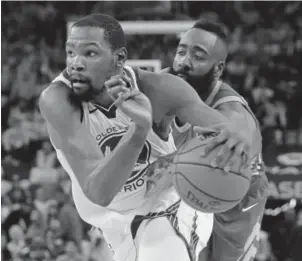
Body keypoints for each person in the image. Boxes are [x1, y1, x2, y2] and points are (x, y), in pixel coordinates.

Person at [39, 13, 254, 261]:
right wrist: (139, 129)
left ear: (119, 59)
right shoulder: (58, 101)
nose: (75, 63)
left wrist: (232, 139)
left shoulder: (160, 89)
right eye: (70, 53)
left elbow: (227, 130)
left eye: (89, 53)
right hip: (113, 221)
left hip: (168, 200)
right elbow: (100, 192)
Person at [161, 20, 268, 261]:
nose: (184, 62)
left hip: (236, 199)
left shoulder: (228, 106)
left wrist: (240, 133)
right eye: (181, 52)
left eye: (198, 57)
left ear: (218, 69)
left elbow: (241, 126)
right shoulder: (165, 82)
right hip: (189, 183)